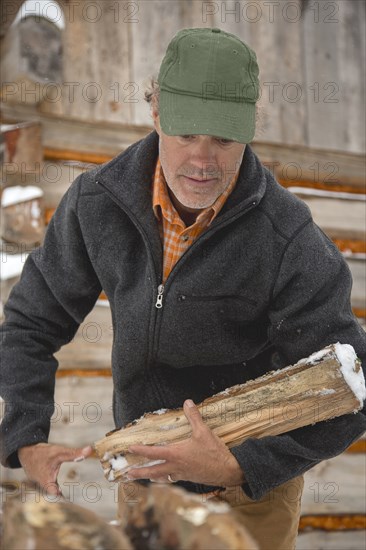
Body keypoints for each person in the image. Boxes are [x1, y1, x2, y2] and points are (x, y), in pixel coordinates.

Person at [1, 27, 365, 549]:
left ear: (249, 128)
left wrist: (239, 465)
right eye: (186, 133)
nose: (202, 159)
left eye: (223, 138)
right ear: (155, 113)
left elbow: (355, 391)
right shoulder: (97, 204)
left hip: (251, 498)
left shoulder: (290, 243)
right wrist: (26, 437)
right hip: (146, 480)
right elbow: (32, 323)